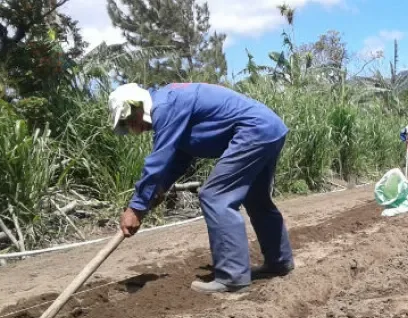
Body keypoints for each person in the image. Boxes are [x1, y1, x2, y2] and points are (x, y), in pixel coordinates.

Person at [108, 82, 295, 294]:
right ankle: (279, 262)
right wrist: (160, 187)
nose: (134, 127)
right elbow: (180, 157)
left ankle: (232, 277)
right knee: (256, 199)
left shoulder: (165, 107)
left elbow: (158, 160)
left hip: (253, 131)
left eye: (131, 120)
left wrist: (136, 207)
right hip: (269, 128)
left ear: (137, 105)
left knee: (215, 197)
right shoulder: (170, 101)